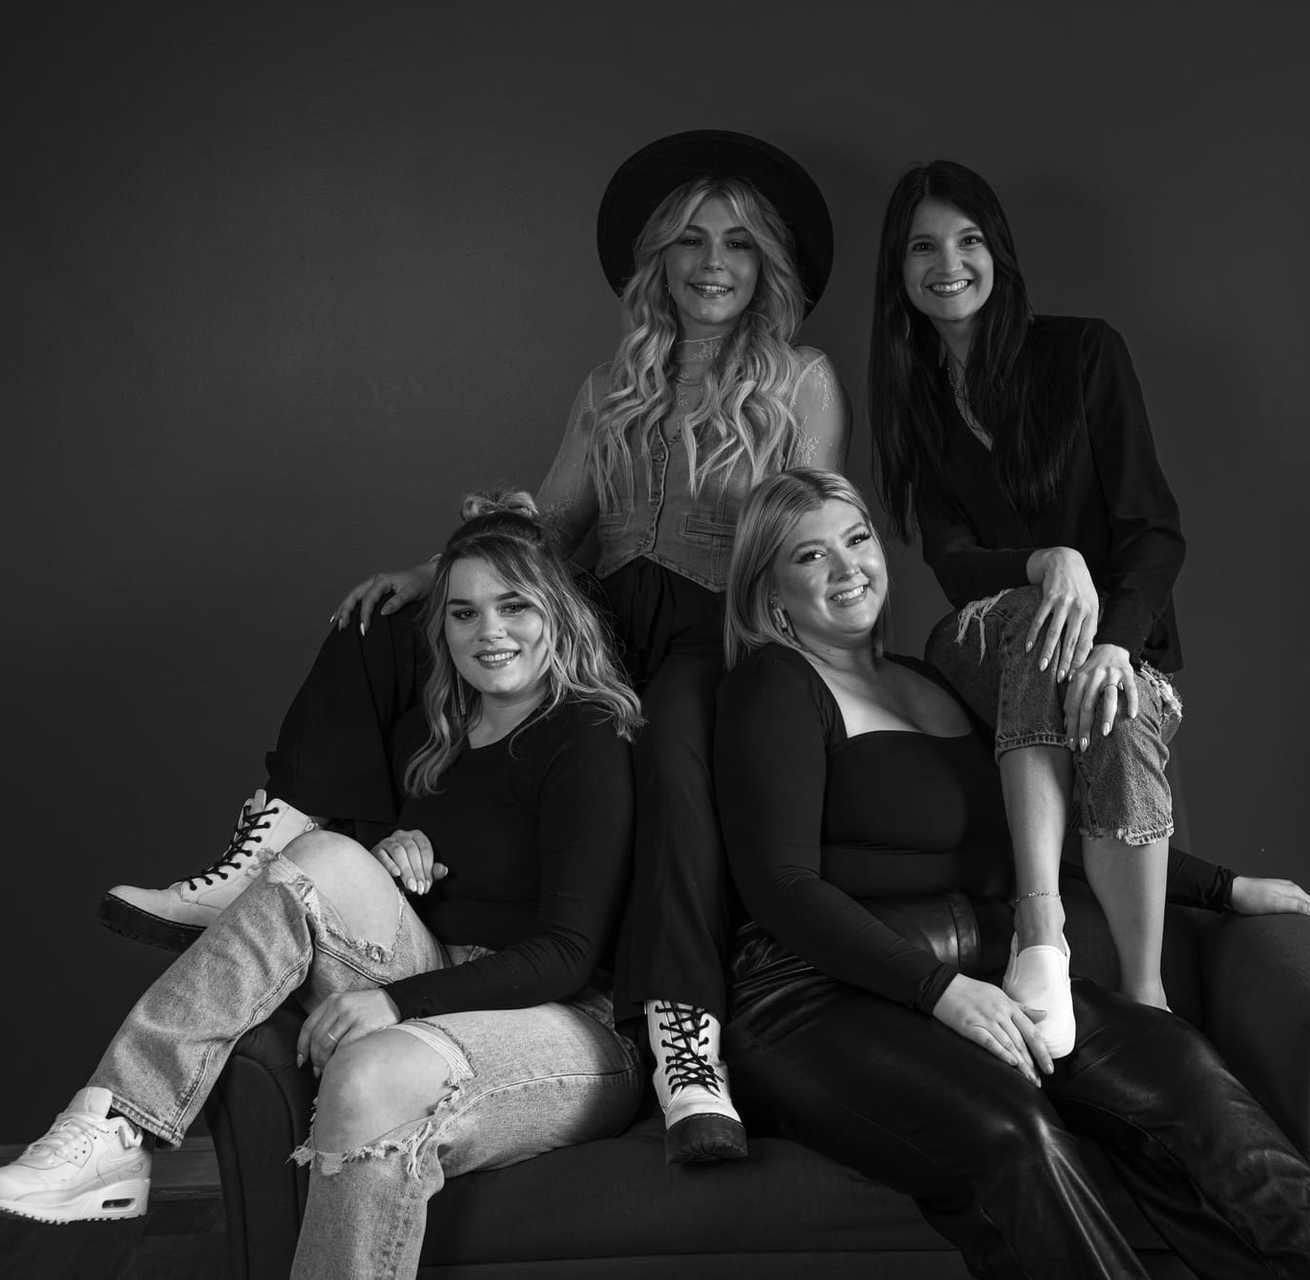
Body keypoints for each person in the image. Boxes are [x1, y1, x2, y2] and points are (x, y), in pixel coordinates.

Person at [100, 130, 849, 1163]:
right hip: (603, 607)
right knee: (386, 619)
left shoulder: (802, 377)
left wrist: (801, 661)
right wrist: (433, 570)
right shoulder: (613, 382)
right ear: (658, 264)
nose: (711, 262)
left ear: (766, 263)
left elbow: (807, 529)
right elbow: (555, 519)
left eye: (736, 243)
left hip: (713, 623)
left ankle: (684, 1038)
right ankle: (284, 843)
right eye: (687, 241)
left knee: (671, 730)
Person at [713, 468, 1310, 1280]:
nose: (847, 567)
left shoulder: (930, 679)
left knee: (1176, 1068)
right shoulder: (775, 685)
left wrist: (1226, 889)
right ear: (768, 591)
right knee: (1015, 1133)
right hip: (820, 997)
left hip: (988, 973)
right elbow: (781, 889)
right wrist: (938, 990)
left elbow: (1056, 829)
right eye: (809, 554)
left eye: (858, 539)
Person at [0, 495, 646, 1279]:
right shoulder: (442, 738)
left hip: (567, 1024)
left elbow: (566, 953)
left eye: (514, 606)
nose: (488, 632)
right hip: (449, 974)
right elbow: (456, 885)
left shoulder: (589, 734)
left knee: (365, 1077)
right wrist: (394, 860)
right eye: (463, 613)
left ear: (559, 612)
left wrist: (395, 1003)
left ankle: (130, 1120)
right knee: (323, 851)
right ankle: (117, 1125)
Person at [867, 158, 1214, 1058]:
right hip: (981, 639)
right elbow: (950, 562)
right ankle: (1042, 928)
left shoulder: (1083, 353)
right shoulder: (913, 401)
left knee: (1120, 714)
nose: (950, 263)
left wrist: (1114, 642)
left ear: (1000, 253)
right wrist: (1048, 559)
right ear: (899, 272)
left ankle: (1145, 999)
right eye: (923, 247)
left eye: (970, 240)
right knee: (1028, 611)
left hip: (1106, 647)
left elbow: (1154, 529)